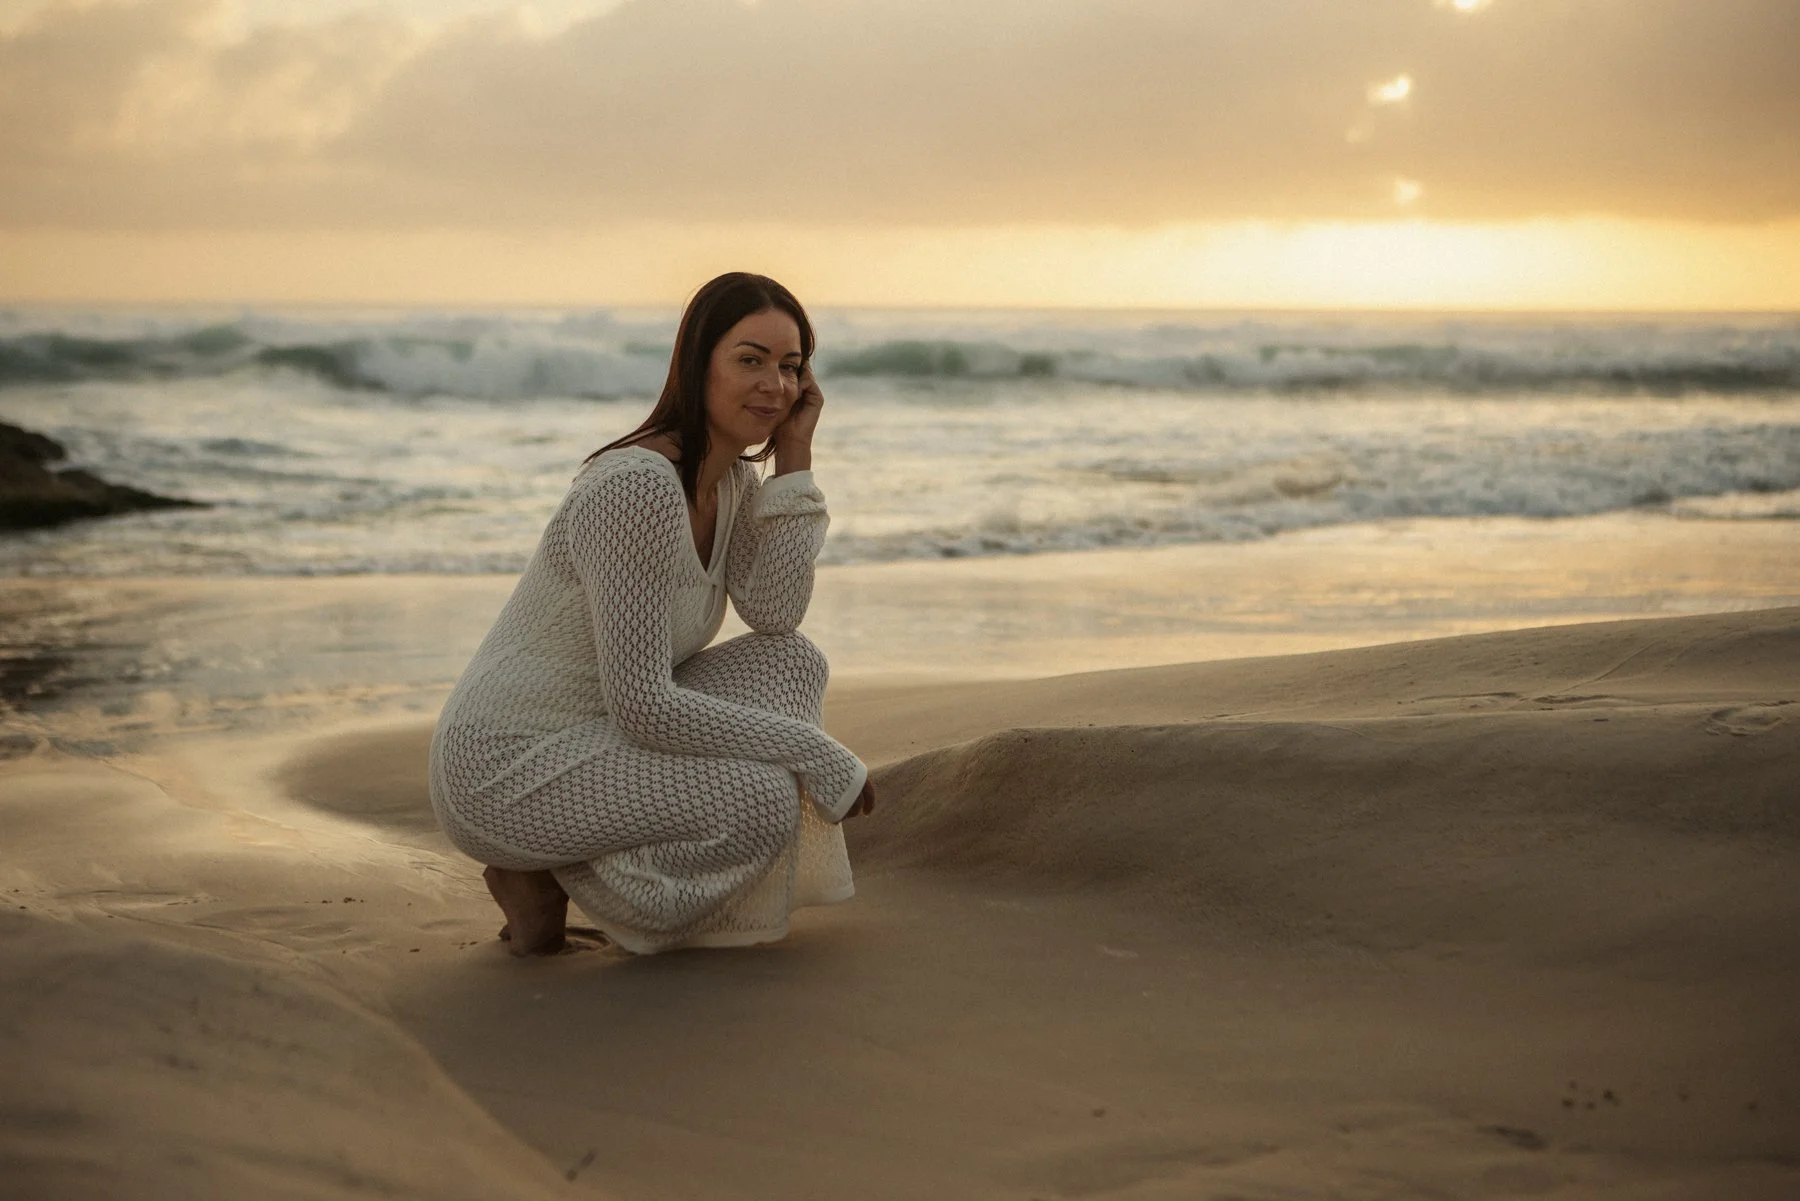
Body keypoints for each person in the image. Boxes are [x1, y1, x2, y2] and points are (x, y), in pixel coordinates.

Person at [428, 272, 875, 956]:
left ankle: (560, 859)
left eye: (790, 367)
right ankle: (542, 874)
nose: (775, 386)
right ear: (698, 364)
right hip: (505, 761)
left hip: (601, 731)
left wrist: (795, 459)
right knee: (761, 800)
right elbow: (644, 705)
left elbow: (776, 614)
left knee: (792, 662)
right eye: (750, 360)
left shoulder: (733, 481)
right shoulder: (637, 488)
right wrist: (815, 752)